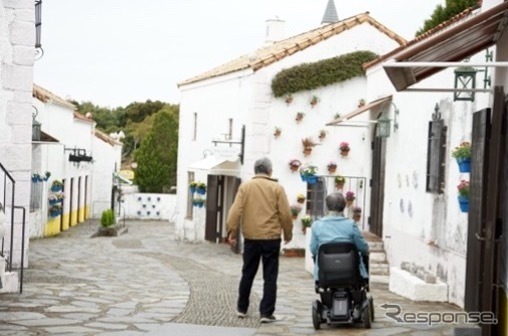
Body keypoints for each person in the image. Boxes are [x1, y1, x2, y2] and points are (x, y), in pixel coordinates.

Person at [226, 157, 293, 323]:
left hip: (251, 238)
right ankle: (266, 313)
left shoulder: (245, 187)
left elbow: (235, 211)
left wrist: (231, 231)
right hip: (271, 238)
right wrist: (288, 233)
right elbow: (285, 214)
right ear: (270, 171)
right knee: (270, 276)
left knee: (247, 273)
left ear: (255, 171)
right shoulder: (277, 188)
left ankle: (242, 308)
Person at [309, 192, 369, 282]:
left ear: (327, 206)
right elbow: (363, 247)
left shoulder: (317, 225)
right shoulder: (350, 224)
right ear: (343, 207)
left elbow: (313, 249)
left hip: (326, 271)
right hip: (351, 271)